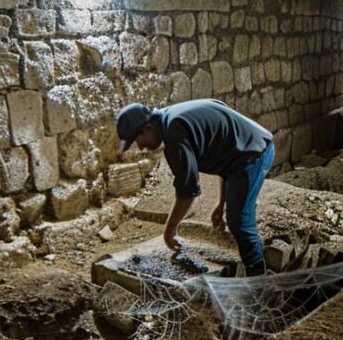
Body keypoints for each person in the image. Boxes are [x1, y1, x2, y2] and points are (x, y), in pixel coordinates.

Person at [116, 99, 274, 276]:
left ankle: (259, 280)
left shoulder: (174, 131)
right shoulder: (171, 118)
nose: (140, 146)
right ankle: (256, 270)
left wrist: (169, 230)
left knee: (239, 221)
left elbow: (187, 192)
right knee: (235, 217)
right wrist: (222, 201)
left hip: (255, 152)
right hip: (246, 150)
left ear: (148, 128)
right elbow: (226, 150)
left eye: (138, 139)